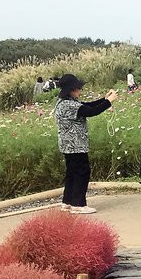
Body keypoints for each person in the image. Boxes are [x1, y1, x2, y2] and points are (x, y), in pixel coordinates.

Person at [53, 73, 117, 214]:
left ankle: (68, 202)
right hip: (75, 145)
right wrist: (109, 102)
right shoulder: (69, 105)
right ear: (72, 89)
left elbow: (86, 105)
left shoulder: (63, 102)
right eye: (78, 88)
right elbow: (91, 111)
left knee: (72, 172)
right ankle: (78, 204)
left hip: (68, 144)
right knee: (82, 172)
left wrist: (104, 99)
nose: (80, 91)